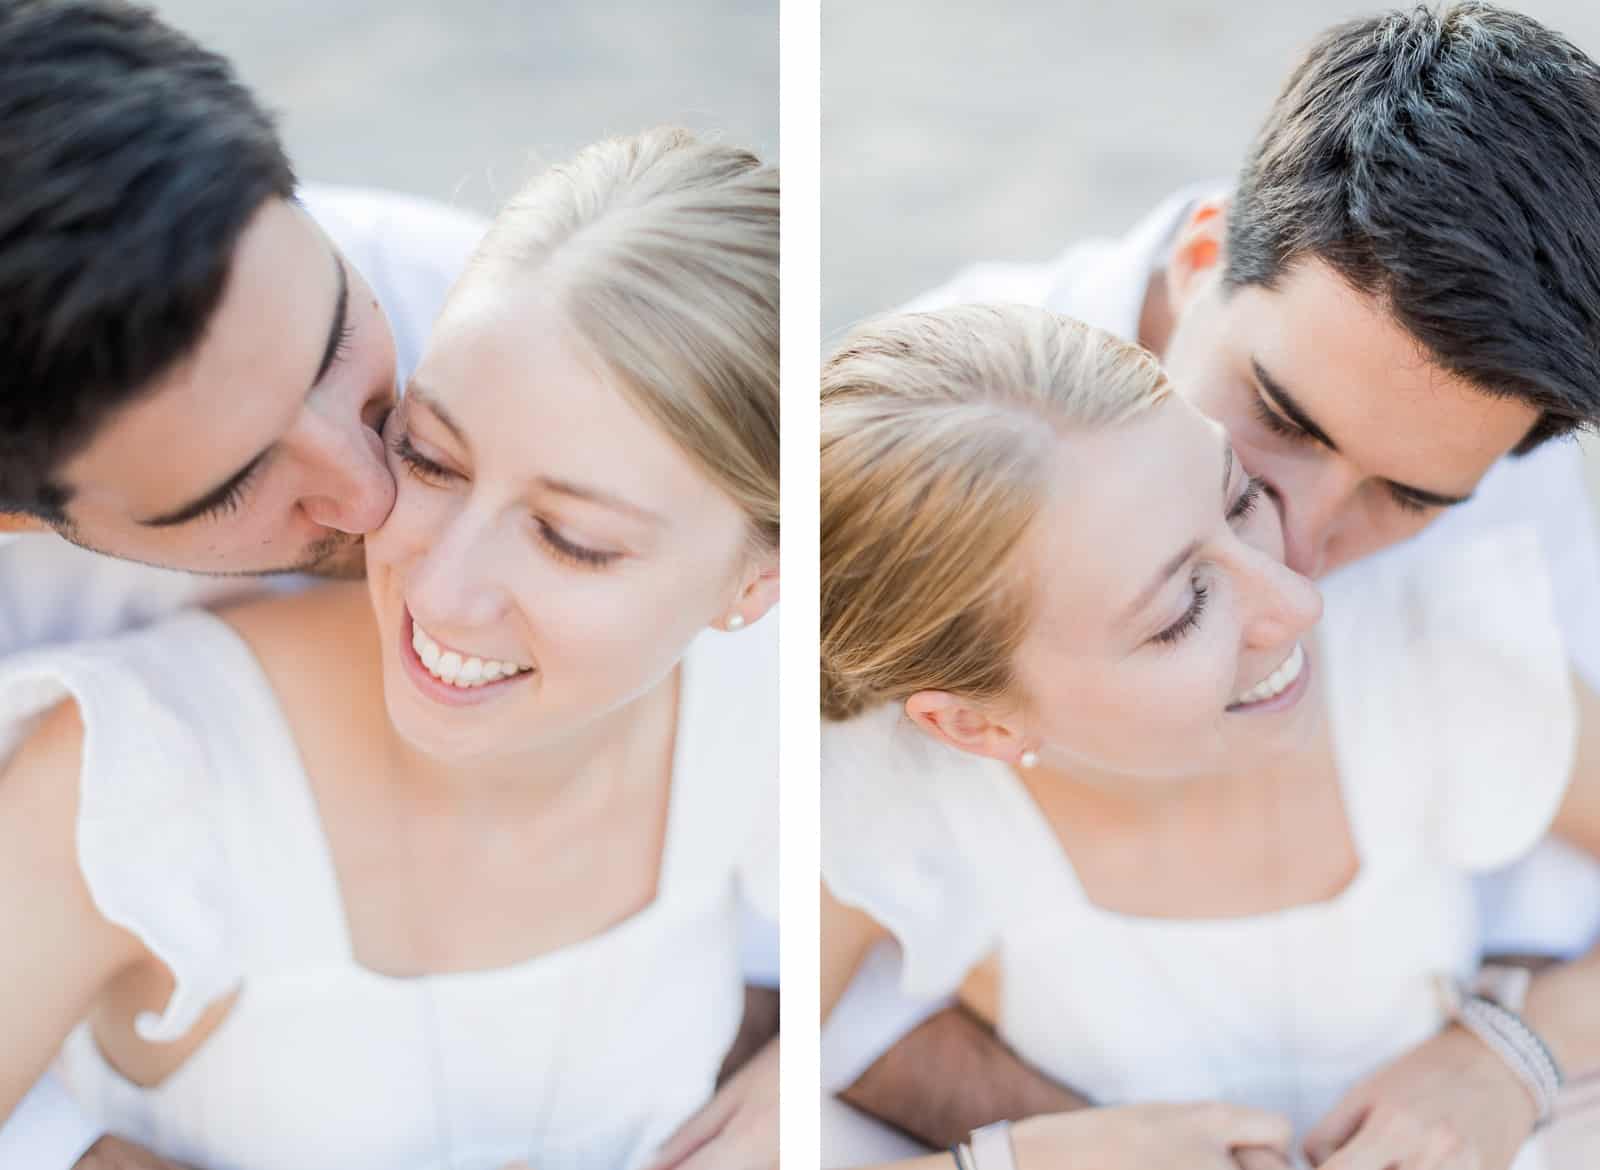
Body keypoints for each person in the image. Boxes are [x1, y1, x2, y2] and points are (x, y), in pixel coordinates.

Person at [0, 5, 780, 1166]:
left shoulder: (505, 312)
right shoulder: (117, 782)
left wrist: (790, 1094)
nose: (377, 506)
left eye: (388, 414)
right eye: (238, 480)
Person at [825, 7, 1600, 1169]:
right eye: (1276, 431)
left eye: (1408, 499)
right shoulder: (901, 479)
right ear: (1199, 257)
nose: (1297, 565)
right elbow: (796, 989)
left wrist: (1514, 1053)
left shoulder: (1505, 511)